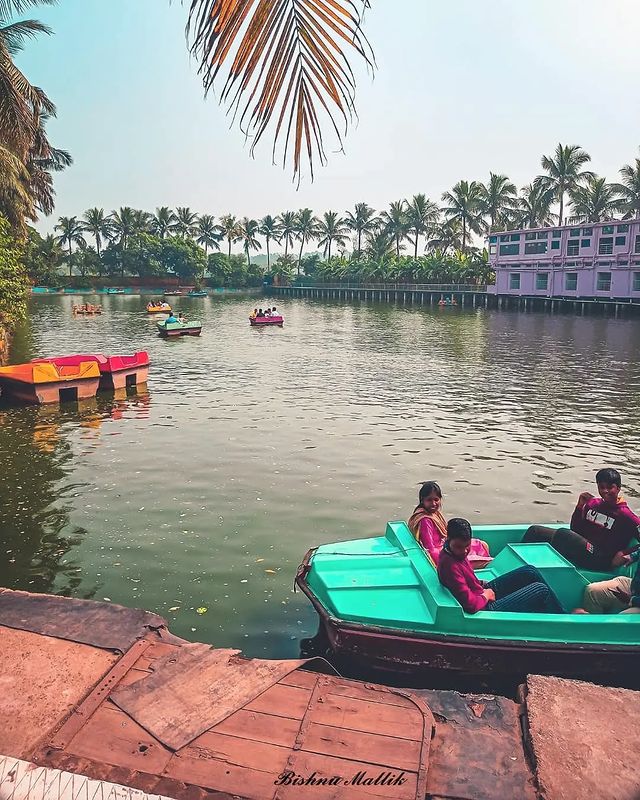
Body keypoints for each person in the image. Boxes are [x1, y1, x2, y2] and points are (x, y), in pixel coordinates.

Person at [438, 518, 564, 614]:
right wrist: (486, 595)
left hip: (480, 592)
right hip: (485, 607)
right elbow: (470, 605)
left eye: (467, 546)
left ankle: (560, 612)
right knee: (541, 590)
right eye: (459, 547)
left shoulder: (454, 553)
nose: (465, 551)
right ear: (449, 539)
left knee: (530, 571)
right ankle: (564, 620)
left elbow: (468, 580)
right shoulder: (450, 566)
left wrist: (482, 584)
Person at [523, 468, 640, 570]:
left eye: (610, 487)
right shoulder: (593, 504)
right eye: (602, 487)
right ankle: (522, 569)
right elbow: (575, 530)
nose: (605, 491)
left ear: (618, 488)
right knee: (535, 531)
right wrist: (579, 508)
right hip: (583, 547)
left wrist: (626, 553)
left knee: (564, 535)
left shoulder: (626, 515)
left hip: (601, 557)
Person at [407, 481, 490, 567]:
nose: (433, 504)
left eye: (436, 499)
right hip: (442, 554)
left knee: (483, 545)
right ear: (422, 500)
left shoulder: (434, 514)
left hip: (445, 544)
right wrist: (443, 564)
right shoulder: (425, 520)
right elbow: (430, 549)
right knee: (487, 562)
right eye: (429, 500)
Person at [580, 546, 640, 614]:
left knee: (621, 620)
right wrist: (633, 556)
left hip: (635, 598)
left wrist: (631, 600)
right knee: (592, 591)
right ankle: (592, 624)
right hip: (634, 586)